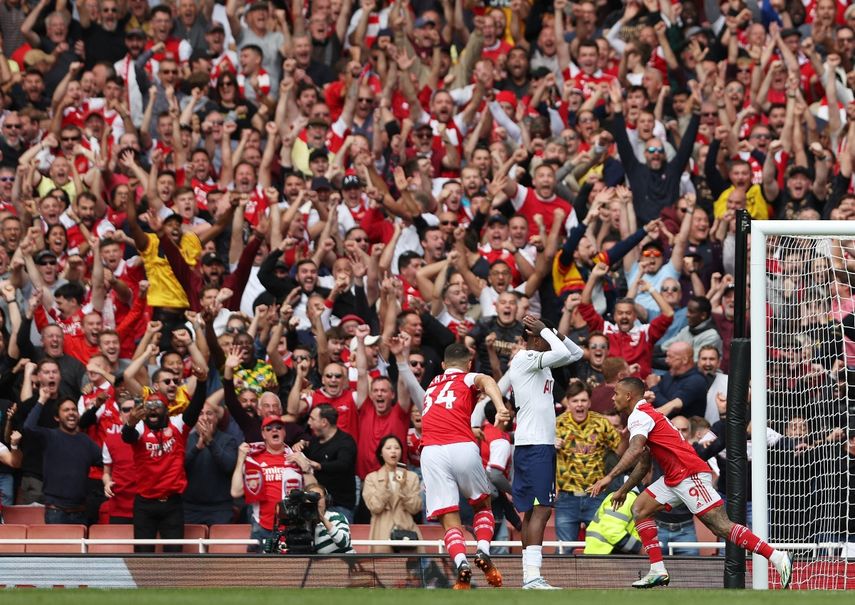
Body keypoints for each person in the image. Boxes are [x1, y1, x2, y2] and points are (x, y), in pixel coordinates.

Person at [589, 377, 792, 589]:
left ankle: (777, 557)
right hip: (673, 478)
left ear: (628, 396)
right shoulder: (647, 415)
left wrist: (609, 477)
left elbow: (635, 449)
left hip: (689, 474)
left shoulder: (640, 416)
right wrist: (623, 490)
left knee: (721, 526)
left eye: (616, 394)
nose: (613, 398)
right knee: (639, 508)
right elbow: (643, 462)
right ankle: (657, 570)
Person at [420, 342, 510, 589]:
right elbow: (489, 381)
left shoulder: (433, 384)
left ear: (442, 365)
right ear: (469, 364)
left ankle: (461, 563)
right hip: (461, 446)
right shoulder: (469, 377)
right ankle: (482, 550)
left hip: (430, 451)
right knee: (482, 504)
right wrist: (500, 407)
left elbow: (441, 415)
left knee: (449, 518)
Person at [508, 315, 583, 588]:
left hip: (535, 443)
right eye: (542, 336)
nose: (546, 340)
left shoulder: (541, 363)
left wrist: (555, 333)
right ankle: (533, 576)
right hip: (537, 444)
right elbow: (564, 353)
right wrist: (545, 331)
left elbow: (576, 353)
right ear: (533, 337)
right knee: (541, 510)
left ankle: (529, 576)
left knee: (532, 511)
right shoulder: (525, 358)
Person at [121, 371, 206, 552]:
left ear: (166, 408)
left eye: (158, 405)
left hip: (172, 503)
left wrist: (202, 381)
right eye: (148, 405)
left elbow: (196, 407)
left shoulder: (177, 424)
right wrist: (129, 423)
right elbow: (128, 438)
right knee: (143, 558)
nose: (152, 409)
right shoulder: (138, 426)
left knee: (174, 558)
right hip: (144, 503)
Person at [554, 381, 625, 555]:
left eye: (583, 401)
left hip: (595, 494)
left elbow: (620, 451)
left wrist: (627, 434)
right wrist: (549, 445)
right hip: (566, 496)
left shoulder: (601, 423)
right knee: (565, 550)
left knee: (600, 547)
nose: (580, 405)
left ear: (589, 402)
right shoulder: (557, 424)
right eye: (575, 401)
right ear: (568, 403)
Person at [231, 415, 317, 551]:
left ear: (284, 432)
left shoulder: (297, 456)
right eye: (269, 428)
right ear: (263, 434)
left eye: (279, 427)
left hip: (293, 527)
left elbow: (314, 492)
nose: (274, 430)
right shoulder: (253, 459)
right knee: (260, 570)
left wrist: (306, 469)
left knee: (291, 570)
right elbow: (236, 492)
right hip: (262, 526)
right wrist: (240, 460)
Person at [23, 393, 101, 524]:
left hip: (81, 513)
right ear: (56, 417)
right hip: (56, 513)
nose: (71, 413)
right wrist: (42, 399)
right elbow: (28, 427)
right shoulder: (49, 437)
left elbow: (106, 461)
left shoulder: (86, 441)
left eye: (74, 409)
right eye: (66, 410)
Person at [361, 434, 422, 554]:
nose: (393, 451)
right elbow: (375, 507)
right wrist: (384, 486)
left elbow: (415, 508)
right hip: (381, 530)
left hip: (407, 530)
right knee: (385, 570)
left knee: (412, 570)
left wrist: (403, 487)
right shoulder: (372, 478)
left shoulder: (411, 477)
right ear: (381, 453)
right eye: (388, 448)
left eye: (397, 448)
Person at [583, 490, 642, 555]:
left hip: (608, 555)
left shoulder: (633, 499)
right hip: (604, 556)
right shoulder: (626, 498)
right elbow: (612, 531)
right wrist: (640, 548)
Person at [305, 483, 355, 554]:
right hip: (322, 564)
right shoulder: (304, 523)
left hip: (345, 563)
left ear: (327, 500)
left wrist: (323, 519)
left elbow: (344, 543)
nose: (316, 502)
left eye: (318, 497)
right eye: (311, 498)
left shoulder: (336, 517)